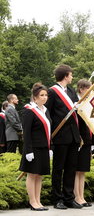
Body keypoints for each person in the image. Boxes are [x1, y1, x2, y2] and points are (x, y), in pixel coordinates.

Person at [45, 64, 82, 209]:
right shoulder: (52, 92)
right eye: (71, 75)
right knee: (58, 168)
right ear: (66, 76)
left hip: (73, 136)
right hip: (60, 136)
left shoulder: (71, 91)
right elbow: (47, 113)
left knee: (71, 168)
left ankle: (69, 197)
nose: (72, 77)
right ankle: (57, 198)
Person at [19, 83, 52, 211]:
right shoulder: (29, 110)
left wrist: (50, 148)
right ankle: (32, 202)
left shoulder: (45, 110)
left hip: (44, 147)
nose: (44, 97)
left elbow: (49, 130)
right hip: (33, 148)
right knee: (32, 175)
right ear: (35, 97)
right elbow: (26, 132)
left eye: (46, 95)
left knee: (40, 175)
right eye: (41, 95)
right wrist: (27, 150)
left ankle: (38, 201)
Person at [73, 79, 94, 207]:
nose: (90, 92)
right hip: (80, 141)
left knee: (83, 170)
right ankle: (77, 196)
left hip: (87, 140)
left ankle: (81, 196)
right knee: (77, 171)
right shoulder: (75, 103)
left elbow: (91, 124)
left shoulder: (88, 104)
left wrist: (93, 142)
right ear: (81, 89)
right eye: (89, 89)